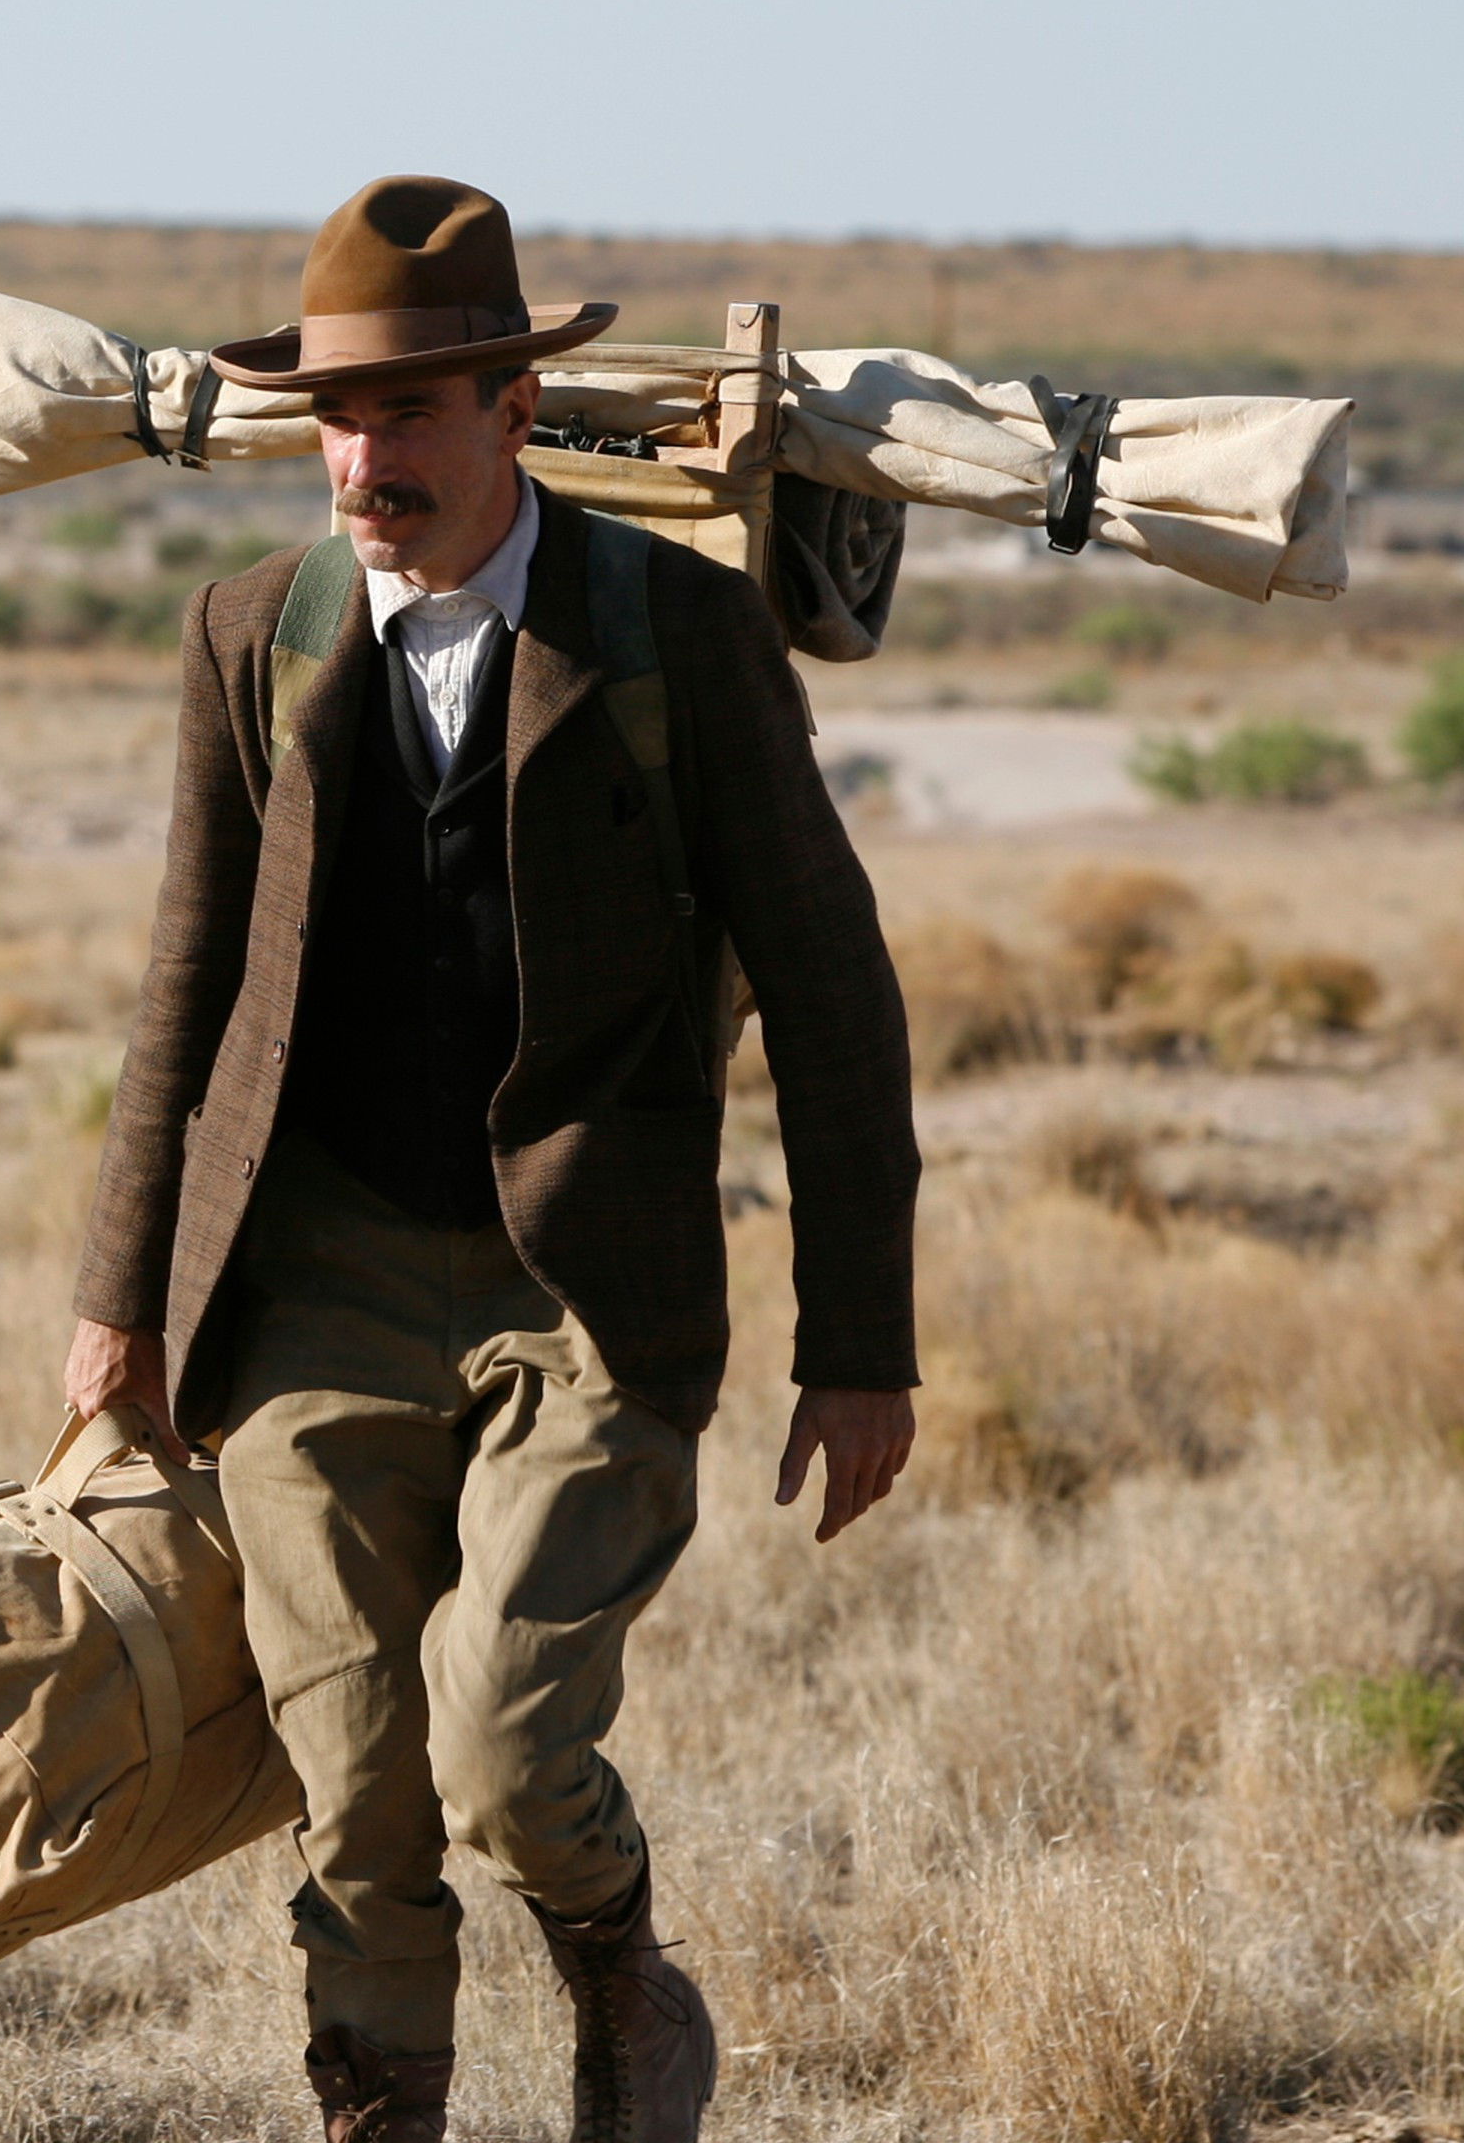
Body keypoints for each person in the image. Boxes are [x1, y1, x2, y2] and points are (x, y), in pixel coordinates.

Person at [61, 178, 922, 2143]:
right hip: (318, 1276)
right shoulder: (252, 635)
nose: (368, 458)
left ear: (514, 413)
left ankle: (622, 1974)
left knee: (506, 1750)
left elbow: (834, 994)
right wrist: (121, 1298)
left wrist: (861, 1345)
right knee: (355, 1788)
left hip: (587, 1275)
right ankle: (381, 2110)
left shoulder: (674, 634)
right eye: (338, 418)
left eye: (412, 412)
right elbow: (188, 982)